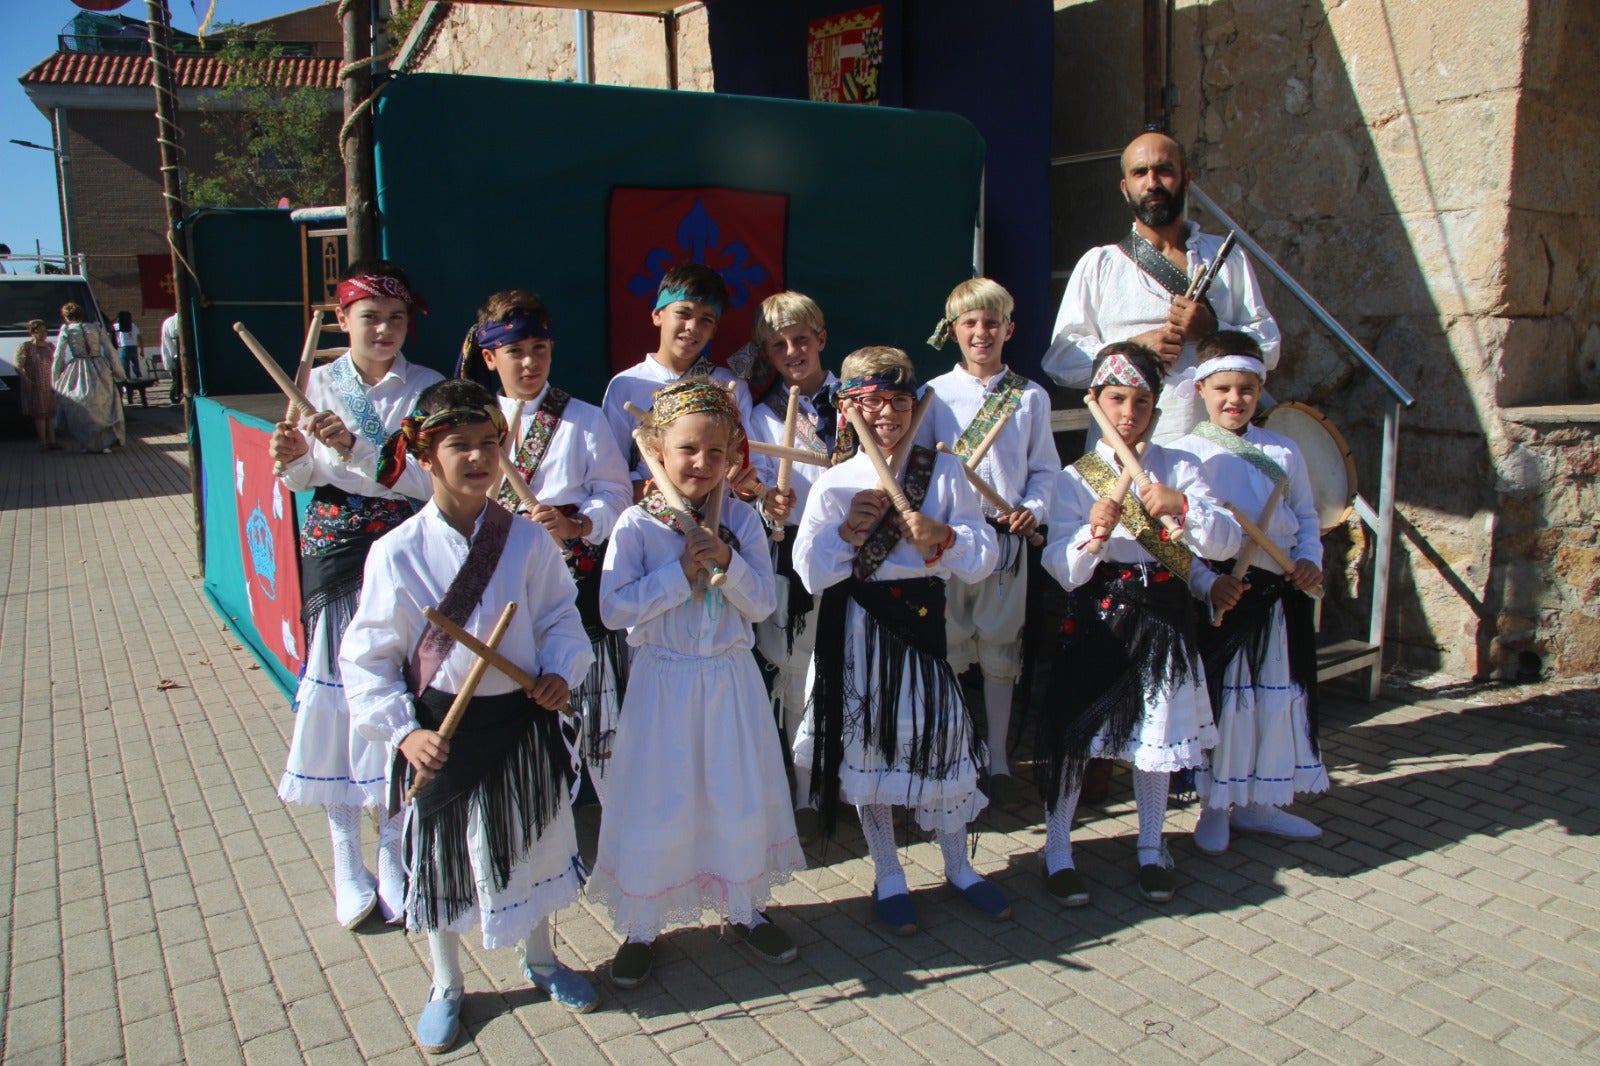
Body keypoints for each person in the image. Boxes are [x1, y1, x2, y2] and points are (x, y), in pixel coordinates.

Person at [340, 379, 598, 1054]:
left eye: (490, 444)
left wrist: (559, 674)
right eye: (460, 446)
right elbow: (367, 661)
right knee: (443, 862)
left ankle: (541, 958)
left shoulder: (527, 542)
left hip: (520, 719)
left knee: (533, 843)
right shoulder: (396, 552)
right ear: (425, 456)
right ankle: (446, 982)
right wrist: (405, 732)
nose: (479, 458)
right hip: (441, 733)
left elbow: (560, 619)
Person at [588, 379, 801, 987]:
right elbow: (612, 609)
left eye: (715, 453)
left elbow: (761, 606)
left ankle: (745, 909)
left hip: (729, 683)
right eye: (686, 450)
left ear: (732, 454)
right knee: (658, 800)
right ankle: (642, 924)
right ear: (657, 446)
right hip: (663, 684)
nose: (701, 464)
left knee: (734, 793)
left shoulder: (742, 520)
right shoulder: (636, 524)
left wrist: (729, 564)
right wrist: (681, 573)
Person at [792, 346, 1008, 935]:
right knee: (869, 751)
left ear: (916, 407)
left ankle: (959, 866)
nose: (886, 414)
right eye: (870, 402)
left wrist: (945, 537)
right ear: (849, 410)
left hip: (921, 627)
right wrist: (846, 530)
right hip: (858, 633)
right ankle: (888, 871)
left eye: (899, 401)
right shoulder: (835, 483)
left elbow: (984, 558)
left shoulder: (945, 473)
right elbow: (810, 572)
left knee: (940, 739)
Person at [269, 260, 444, 931]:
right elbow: (306, 476)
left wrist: (363, 448)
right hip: (338, 548)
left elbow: (431, 484)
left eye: (397, 319)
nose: (386, 330)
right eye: (371, 317)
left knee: (401, 692)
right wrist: (292, 456)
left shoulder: (428, 390)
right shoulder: (317, 384)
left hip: (403, 550)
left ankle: (394, 847)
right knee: (342, 695)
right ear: (342, 320)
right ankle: (346, 853)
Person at [1037, 342, 1240, 906]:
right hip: (1101, 618)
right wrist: (1093, 535)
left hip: (1166, 620)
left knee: (1157, 740)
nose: (1129, 413)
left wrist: (1183, 507)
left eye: (1142, 401)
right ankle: (1057, 849)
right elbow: (1061, 568)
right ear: (1096, 401)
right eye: (1117, 399)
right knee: (1076, 737)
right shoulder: (1076, 478)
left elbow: (1223, 541)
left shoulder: (1180, 468)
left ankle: (1152, 846)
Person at [459, 290, 632, 803]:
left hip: (571, 580)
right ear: (490, 357)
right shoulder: (471, 423)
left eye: (539, 347)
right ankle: (528, 795)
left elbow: (616, 496)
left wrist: (574, 523)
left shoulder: (583, 419)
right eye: (515, 351)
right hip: (499, 584)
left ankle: (605, 803)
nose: (530, 362)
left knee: (587, 695)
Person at [1175, 332, 1327, 853]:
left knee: (1272, 702)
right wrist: (1209, 583)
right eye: (1223, 388)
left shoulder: (1283, 450)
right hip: (1229, 593)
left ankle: (1260, 803)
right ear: (1201, 389)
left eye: (1245, 388)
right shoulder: (1186, 454)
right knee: (1226, 706)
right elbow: (1182, 540)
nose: (1234, 399)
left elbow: (1306, 516)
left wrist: (1309, 560)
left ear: (1260, 389)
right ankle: (1215, 806)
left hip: (1279, 593)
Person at [1043, 130, 1280, 445]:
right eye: (1140, 173)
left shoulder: (1227, 256)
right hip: (1126, 452)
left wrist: (1214, 331)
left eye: (1164, 170)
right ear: (1126, 189)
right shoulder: (1100, 264)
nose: (1152, 183)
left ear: (1187, 178)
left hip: (1214, 449)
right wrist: (1131, 350)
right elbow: (1061, 361)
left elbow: (1270, 349)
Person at [926, 279, 1059, 812]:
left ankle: (999, 759)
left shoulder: (1030, 396)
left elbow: (1045, 469)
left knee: (1001, 651)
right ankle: (958, 751)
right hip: (954, 539)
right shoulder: (933, 395)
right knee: (953, 646)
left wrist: (1037, 509)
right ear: (953, 330)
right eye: (970, 323)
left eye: (991, 323)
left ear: (1009, 328)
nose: (981, 333)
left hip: (1006, 536)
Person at [742, 291, 836, 842]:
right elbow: (753, 484)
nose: (792, 351)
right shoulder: (761, 414)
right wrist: (765, 501)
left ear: (820, 338)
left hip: (851, 552)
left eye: (801, 339)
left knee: (847, 663)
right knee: (796, 669)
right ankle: (800, 788)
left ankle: (849, 779)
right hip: (793, 551)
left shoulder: (856, 402)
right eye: (779, 345)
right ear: (768, 355)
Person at [600, 262, 763, 501]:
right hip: (649, 513)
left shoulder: (729, 385)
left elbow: (748, 470)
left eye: (706, 320)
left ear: (714, 329)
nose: (692, 327)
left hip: (717, 516)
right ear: (658, 315)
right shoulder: (625, 385)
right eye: (683, 313)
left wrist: (749, 486)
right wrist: (652, 489)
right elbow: (609, 474)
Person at [51, 301, 124, 454]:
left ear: (66, 316)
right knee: (105, 404)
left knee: (80, 405)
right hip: (100, 366)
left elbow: (59, 355)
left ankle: (89, 442)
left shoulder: (67, 330)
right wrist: (118, 372)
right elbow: (110, 350)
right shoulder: (95, 327)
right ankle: (106, 440)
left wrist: (55, 377)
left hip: (78, 368)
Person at [16, 319, 62, 450]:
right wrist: (26, 379)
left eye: (45, 331)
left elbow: (57, 363)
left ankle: (52, 441)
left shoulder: (50, 346)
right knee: (40, 414)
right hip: (35, 384)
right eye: (39, 331)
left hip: (50, 384)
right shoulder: (26, 347)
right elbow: (18, 365)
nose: (43, 334)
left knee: (51, 413)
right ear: (32, 332)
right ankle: (43, 443)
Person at [113, 311, 142, 380]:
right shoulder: (133, 325)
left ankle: (127, 382)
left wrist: (116, 318)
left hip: (124, 347)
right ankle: (139, 379)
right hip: (134, 346)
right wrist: (142, 350)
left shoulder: (117, 326)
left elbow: (109, 326)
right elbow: (140, 338)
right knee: (136, 366)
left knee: (125, 367)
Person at [160, 312, 181, 404]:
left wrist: (169, 362)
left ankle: (175, 394)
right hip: (178, 356)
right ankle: (175, 394)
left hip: (175, 356)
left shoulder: (167, 322)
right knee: (177, 379)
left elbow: (166, 344)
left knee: (176, 379)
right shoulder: (172, 323)